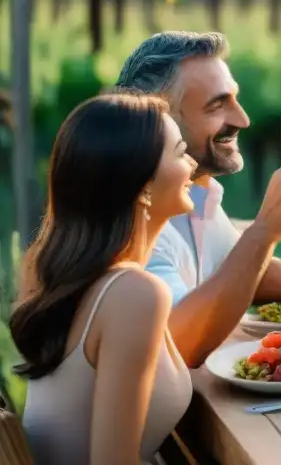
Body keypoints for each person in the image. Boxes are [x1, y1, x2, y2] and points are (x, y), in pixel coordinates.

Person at [115, 31, 281, 368]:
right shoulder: (134, 220)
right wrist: (266, 230)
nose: (243, 120)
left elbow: (226, 262)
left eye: (234, 99)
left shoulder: (198, 194)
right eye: (217, 105)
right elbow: (178, 346)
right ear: (160, 118)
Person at [13, 93, 196, 464]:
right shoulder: (134, 295)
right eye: (179, 152)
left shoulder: (49, 270)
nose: (192, 163)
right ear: (142, 181)